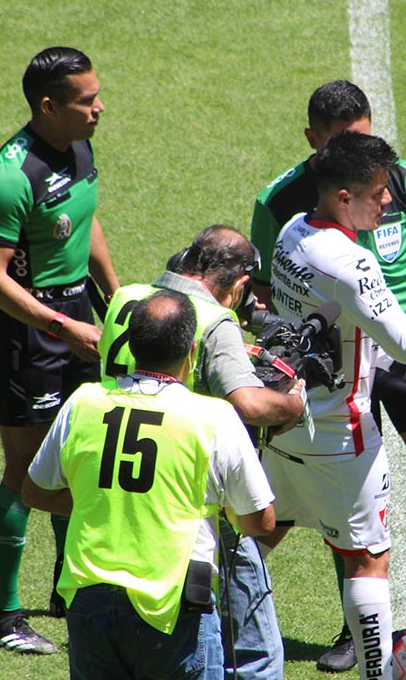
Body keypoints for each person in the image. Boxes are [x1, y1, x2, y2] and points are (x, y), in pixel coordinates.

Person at [251, 80, 406, 672]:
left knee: (262, 527)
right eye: (373, 192)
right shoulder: (320, 234)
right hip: (347, 415)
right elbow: (395, 328)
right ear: (340, 189)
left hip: (311, 397)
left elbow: (347, 327)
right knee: (367, 551)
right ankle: (370, 653)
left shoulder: (299, 229)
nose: (385, 199)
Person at [22, 290, 276, 680]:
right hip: (172, 607)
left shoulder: (84, 402)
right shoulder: (212, 417)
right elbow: (261, 522)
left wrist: (105, 501)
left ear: (131, 344)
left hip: (88, 596)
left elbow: (35, 492)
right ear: (191, 352)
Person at [97, 225, 304, 680]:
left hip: (121, 483)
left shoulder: (129, 297)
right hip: (193, 500)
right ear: (240, 282)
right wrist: (294, 402)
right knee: (256, 656)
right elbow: (248, 403)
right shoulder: (215, 321)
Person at [0, 46, 121, 653]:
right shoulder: (10, 177)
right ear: (48, 106)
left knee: (79, 452)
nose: (99, 108)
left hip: (78, 319)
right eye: (87, 100)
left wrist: (115, 300)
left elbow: (85, 222)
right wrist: (63, 326)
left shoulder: (79, 146)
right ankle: (3, 616)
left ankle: (68, 584)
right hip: (27, 335)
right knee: (26, 469)